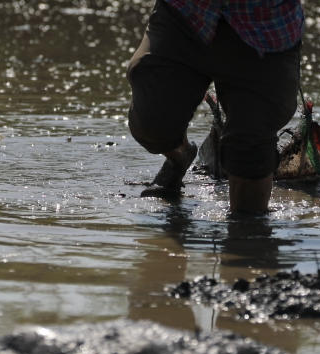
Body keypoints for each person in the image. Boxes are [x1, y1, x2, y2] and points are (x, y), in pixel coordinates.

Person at [126, 0, 304, 213]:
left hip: (264, 28)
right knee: (153, 123)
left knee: (251, 146)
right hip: (184, 15)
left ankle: (247, 236)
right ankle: (179, 157)